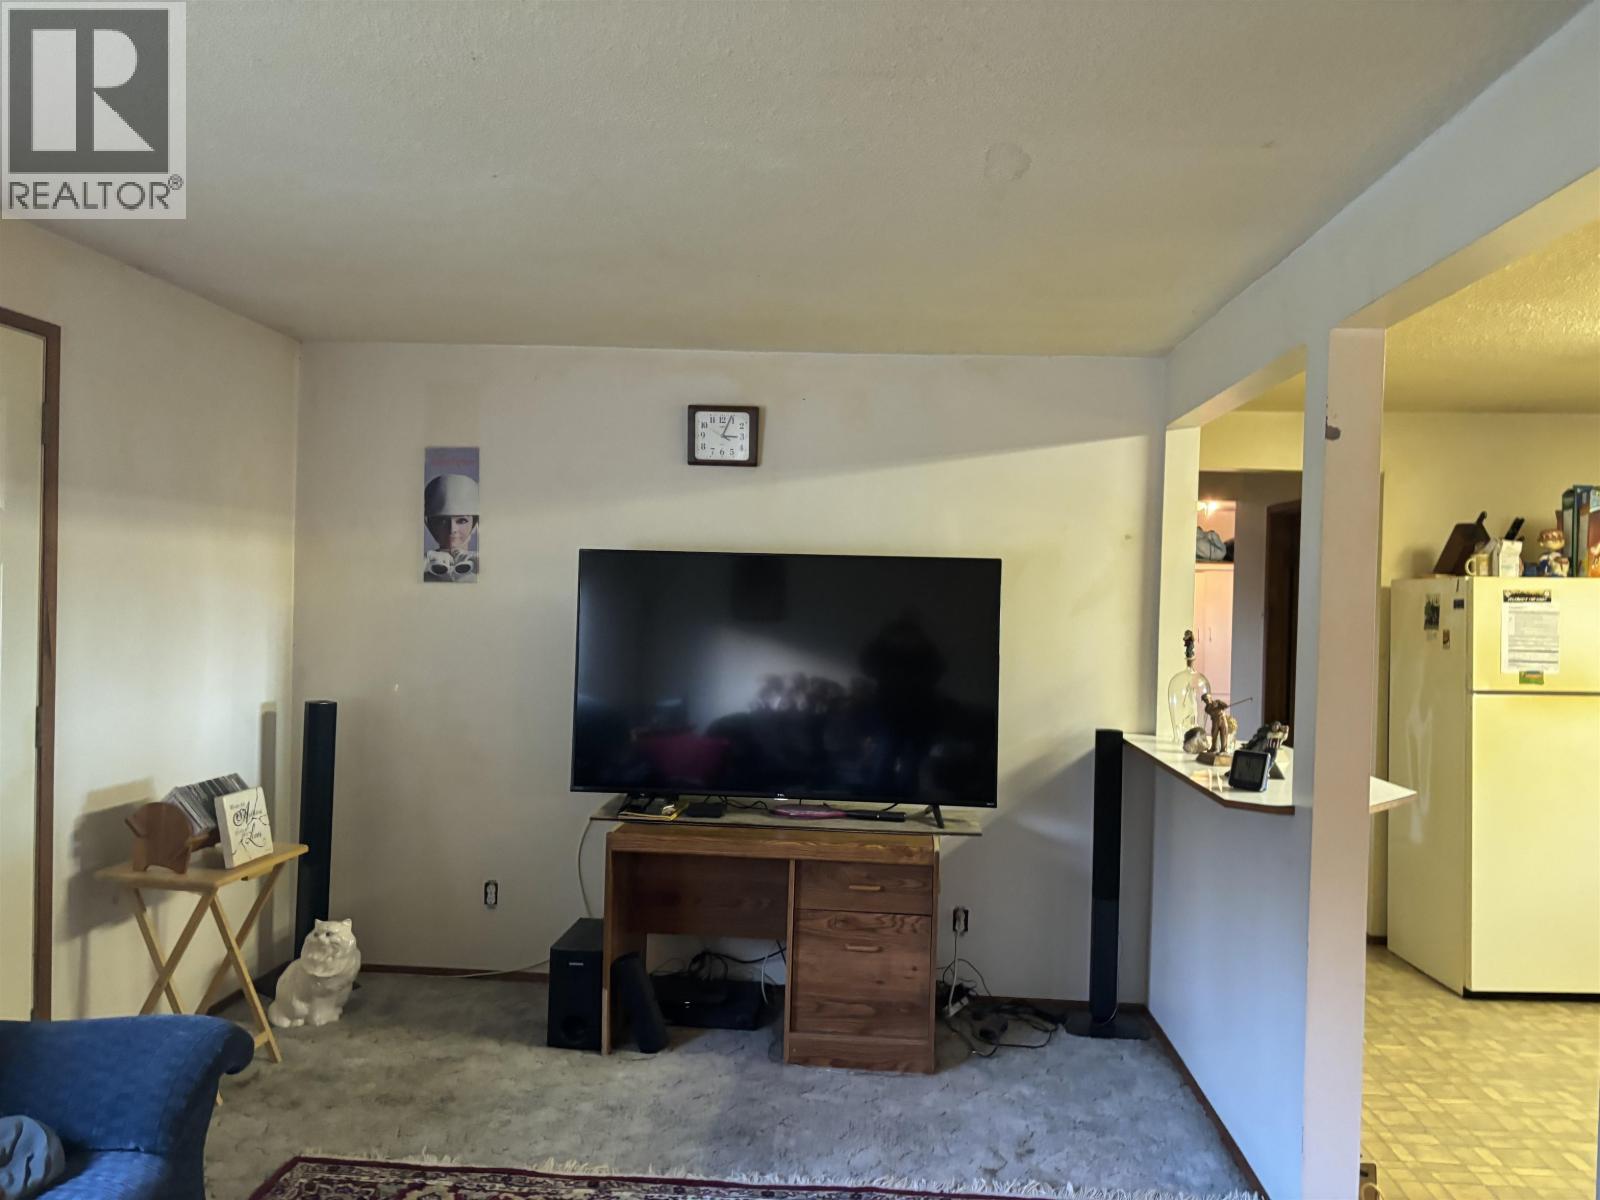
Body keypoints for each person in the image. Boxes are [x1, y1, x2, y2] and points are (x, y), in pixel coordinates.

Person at [423, 473, 479, 582]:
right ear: (429, 524)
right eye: (442, 521)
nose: (452, 529)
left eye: (461, 521)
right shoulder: (421, 567)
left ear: (475, 524)